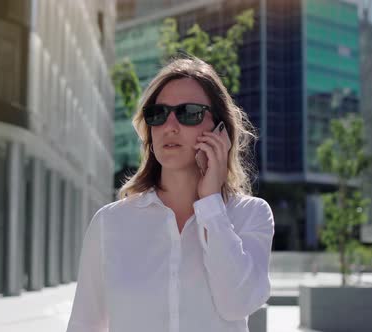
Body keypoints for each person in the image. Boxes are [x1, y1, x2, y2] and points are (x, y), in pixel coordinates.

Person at [65, 57, 275, 332]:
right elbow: (84, 325)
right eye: (158, 114)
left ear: (220, 129)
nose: (170, 126)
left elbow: (238, 302)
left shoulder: (251, 214)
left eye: (189, 112)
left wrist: (211, 204)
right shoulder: (109, 223)